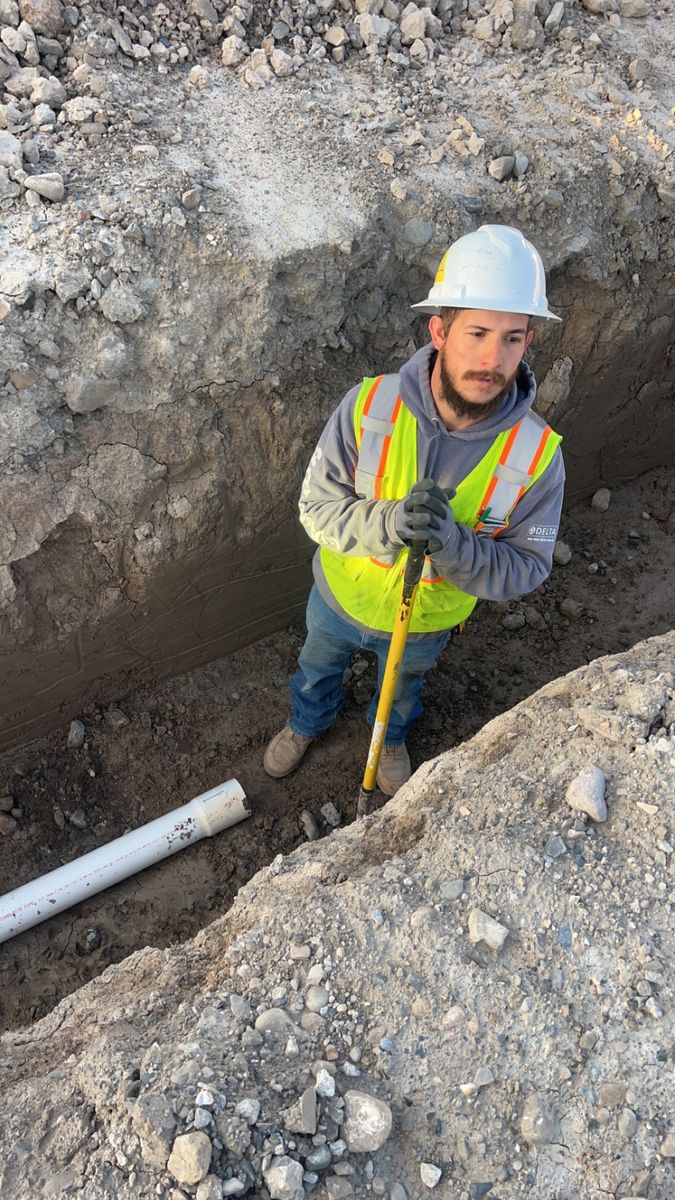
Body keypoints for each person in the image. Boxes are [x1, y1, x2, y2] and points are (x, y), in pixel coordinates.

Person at [263, 224, 565, 795]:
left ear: (529, 341)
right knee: (315, 668)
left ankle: (391, 738)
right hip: (339, 597)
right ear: (439, 330)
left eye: (513, 338)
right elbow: (316, 508)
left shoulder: (535, 456)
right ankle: (307, 723)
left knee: (400, 690)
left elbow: (526, 567)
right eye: (476, 331)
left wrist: (452, 544)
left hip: (426, 623)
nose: (491, 357)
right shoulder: (370, 406)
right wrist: (391, 523)